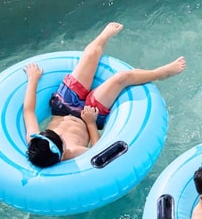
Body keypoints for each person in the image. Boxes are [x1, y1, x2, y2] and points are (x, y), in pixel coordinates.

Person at [23, 22, 186, 167]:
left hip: (63, 105)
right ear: (63, 152)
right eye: (61, 140)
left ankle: (103, 36)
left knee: (90, 56)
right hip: (89, 115)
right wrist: (91, 123)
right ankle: (160, 73)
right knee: (122, 77)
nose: (60, 134)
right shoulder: (72, 152)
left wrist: (33, 79)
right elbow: (98, 151)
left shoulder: (34, 141)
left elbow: (29, 111)